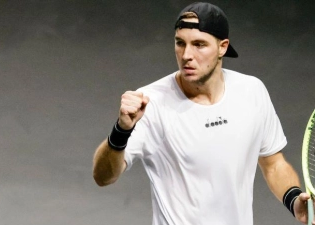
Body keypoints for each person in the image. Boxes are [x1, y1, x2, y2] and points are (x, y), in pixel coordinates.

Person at [92, 2, 313, 225]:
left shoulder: (252, 92)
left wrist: (294, 200)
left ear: (223, 47)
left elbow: (274, 164)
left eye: (199, 44)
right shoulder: (150, 103)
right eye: (180, 43)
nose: (187, 55)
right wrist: (121, 130)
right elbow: (103, 177)